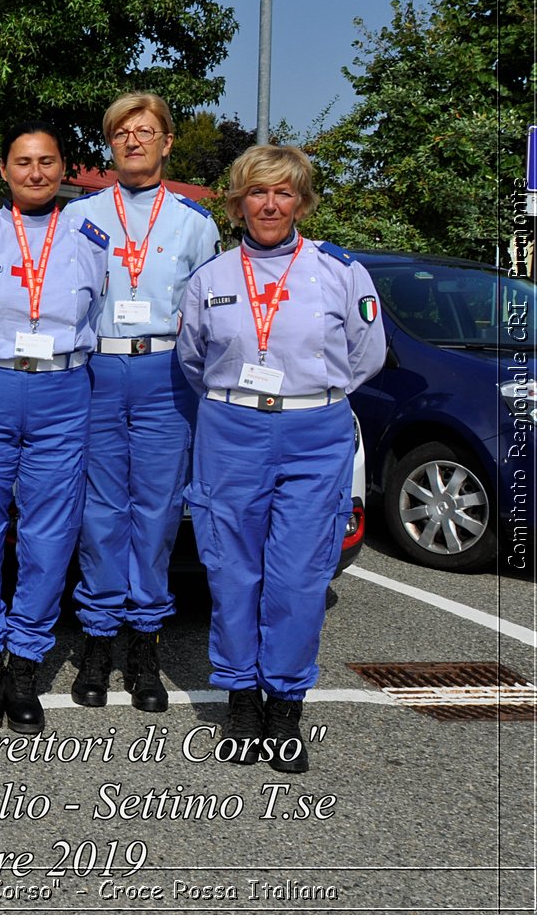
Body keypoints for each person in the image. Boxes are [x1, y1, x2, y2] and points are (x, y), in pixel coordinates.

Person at [177, 144, 384, 773]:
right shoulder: (211, 277)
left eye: (284, 193)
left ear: (302, 201)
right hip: (232, 428)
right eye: (257, 193)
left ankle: (285, 703)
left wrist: (310, 398)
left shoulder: (342, 271)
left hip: (313, 430)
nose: (270, 204)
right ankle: (241, 697)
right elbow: (191, 360)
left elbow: (367, 353)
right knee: (232, 569)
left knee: (298, 575)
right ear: (239, 203)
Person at [0, 121, 108, 734]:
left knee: (50, 530)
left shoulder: (91, 239)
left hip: (62, 390)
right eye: (23, 162)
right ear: (4, 171)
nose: (36, 173)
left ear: (65, 167)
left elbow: (94, 312)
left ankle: (26, 660)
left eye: (47, 161)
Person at [62, 92, 221, 712]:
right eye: (122, 132)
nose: (133, 141)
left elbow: (210, 313)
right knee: (101, 511)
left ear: (167, 142)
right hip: (98, 368)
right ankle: (99, 639)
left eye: (146, 131)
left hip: (165, 372)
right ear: (110, 143)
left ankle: (145, 645)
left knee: (155, 513)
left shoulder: (194, 221)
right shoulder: (82, 216)